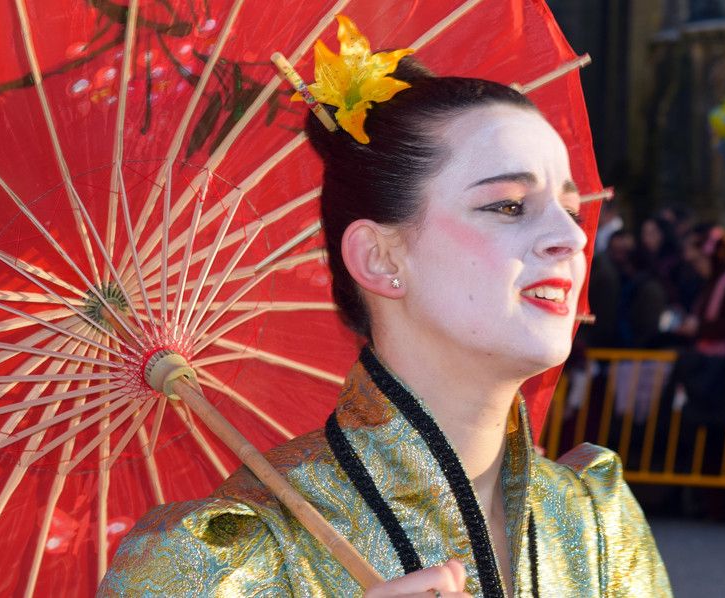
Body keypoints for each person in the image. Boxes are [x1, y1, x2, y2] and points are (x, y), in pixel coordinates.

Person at [98, 20, 671, 598]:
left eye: (569, 209)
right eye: (508, 205)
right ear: (378, 258)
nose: (570, 240)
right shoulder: (228, 563)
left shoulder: (597, 522)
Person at [676, 224, 725, 356]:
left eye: (699, 261)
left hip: (724, 360)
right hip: (706, 355)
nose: (697, 267)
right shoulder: (708, 284)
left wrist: (700, 327)